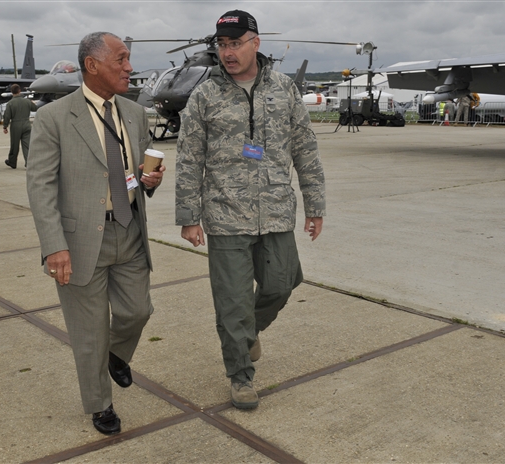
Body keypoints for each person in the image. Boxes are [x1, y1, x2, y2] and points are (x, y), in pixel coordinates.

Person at [175, 10, 326, 410]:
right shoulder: (204, 96)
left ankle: (248, 333)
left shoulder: (284, 89)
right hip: (225, 214)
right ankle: (240, 375)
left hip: (275, 208)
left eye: (235, 43)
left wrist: (315, 204)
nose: (227, 52)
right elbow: (189, 159)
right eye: (222, 45)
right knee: (233, 303)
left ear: (255, 43)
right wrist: (189, 217)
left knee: (283, 282)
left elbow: (305, 148)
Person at [26, 31, 165, 435]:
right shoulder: (55, 117)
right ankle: (100, 404)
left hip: (129, 229)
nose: (129, 67)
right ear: (93, 65)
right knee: (89, 331)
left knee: (138, 311)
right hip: (79, 240)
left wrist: (149, 181)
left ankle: (116, 357)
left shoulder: (135, 113)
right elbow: (40, 185)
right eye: (121, 59)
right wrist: (54, 246)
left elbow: (135, 174)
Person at [2, 84, 37, 169]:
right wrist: (32, 102)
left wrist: (5, 126)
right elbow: (35, 108)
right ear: (19, 91)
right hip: (26, 123)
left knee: (14, 145)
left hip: (15, 124)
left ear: (11, 92)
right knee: (27, 145)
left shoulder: (10, 103)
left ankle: (12, 162)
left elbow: (7, 116)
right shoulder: (27, 101)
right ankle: (29, 163)